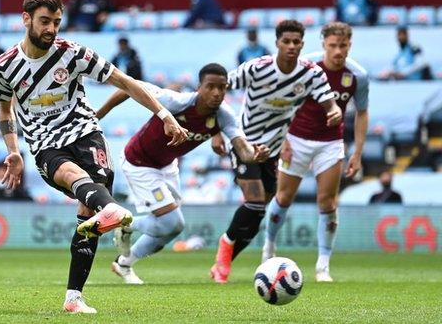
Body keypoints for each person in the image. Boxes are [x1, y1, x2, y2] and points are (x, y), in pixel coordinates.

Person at [0, 0, 187, 313]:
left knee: (87, 215)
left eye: (56, 22)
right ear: (26, 19)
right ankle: (112, 210)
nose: (51, 29)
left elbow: (125, 82)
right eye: (44, 22)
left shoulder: (74, 54)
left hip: (85, 134)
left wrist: (163, 114)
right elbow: (3, 112)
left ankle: (73, 298)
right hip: (44, 144)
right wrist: (13, 151)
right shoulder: (4, 66)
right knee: (75, 179)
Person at [95, 63, 270, 284]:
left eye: (222, 88)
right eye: (211, 87)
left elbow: (242, 148)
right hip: (139, 162)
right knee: (170, 222)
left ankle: (124, 264)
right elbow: (127, 87)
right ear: (199, 87)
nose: (217, 93)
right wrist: (99, 114)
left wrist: (254, 155)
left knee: (172, 228)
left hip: (167, 166)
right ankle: (125, 224)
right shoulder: (176, 102)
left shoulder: (224, 115)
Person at [209, 20, 342, 284]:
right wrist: (215, 131)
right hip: (244, 142)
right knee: (255, 200)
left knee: (258, 212)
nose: (292, 46)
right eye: (286, 41)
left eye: (296, 42)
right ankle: (225, 246)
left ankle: (222, 263)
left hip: (273, 149)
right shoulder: (257, 68)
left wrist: (334, 110)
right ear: (277, 43)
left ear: (302, 45)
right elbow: (216, 89)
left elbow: (329, 102)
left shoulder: (311, 74)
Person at [261, 22, 370, 282]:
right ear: (323, 45)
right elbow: (280, 102)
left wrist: (357, 153)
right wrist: (282, 139)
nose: (337, 51)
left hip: (331, 144)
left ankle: (322, 265)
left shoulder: (357, 75)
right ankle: (269, 246)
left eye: (342, 46)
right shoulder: (306, 67)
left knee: (328, 202)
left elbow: (363, 113)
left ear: (349, 46)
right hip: (296, 139)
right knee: (284, 197)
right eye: (332, 45)